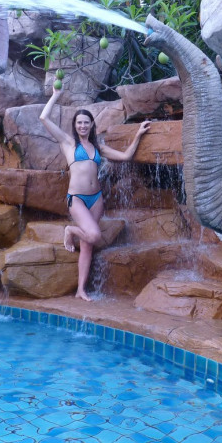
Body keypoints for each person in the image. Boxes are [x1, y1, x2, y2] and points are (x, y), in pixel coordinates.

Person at [39, 84, 151, 301]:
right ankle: (70, 230)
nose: (82, 126)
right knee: (94, 235)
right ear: (75, 125)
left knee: (88, 245)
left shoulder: (98, 148)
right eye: (79, 122)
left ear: (92, 125)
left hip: (96, 199)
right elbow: (44, 118)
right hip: (77, 199)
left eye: (86, 122)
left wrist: (138, 134)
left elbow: (126, 156)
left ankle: (81, 290)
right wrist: (55, 95)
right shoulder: (68, 143)